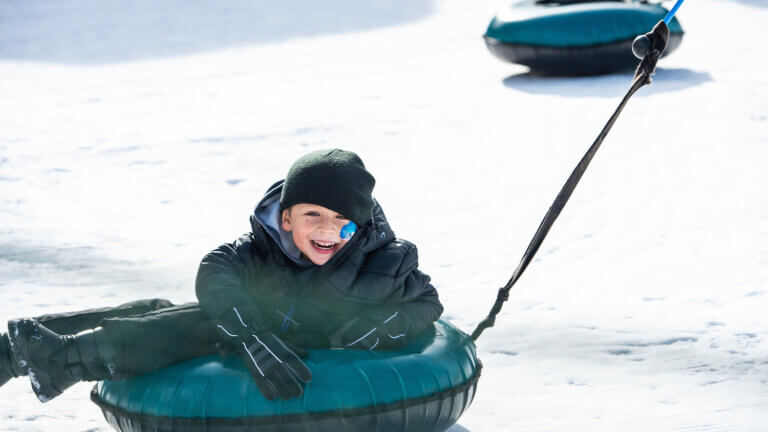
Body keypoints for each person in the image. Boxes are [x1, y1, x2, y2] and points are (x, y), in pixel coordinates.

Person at [0, 149, 443, 403]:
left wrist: (380, 327)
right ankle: (31, 352)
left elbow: (427, 303)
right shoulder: (265, 249)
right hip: (253, 340)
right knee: (168, 314)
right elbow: (217, 269)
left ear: (360, 223)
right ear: (286, 219)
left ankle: (49, 357)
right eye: (313, 215)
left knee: (191, 324)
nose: (328, 230)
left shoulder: (384, 263)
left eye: (342, 219)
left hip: (312, 366)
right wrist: (248, 332)